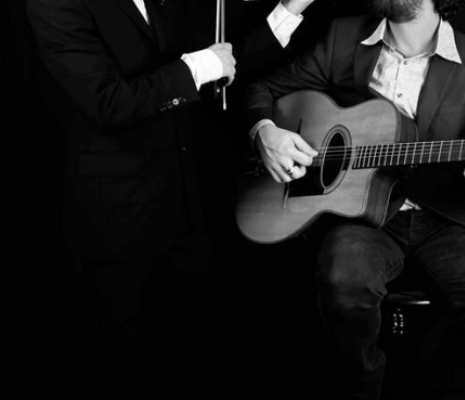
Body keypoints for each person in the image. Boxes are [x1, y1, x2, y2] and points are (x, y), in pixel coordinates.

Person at [25, 0, 315, 394]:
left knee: (184, 362)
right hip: (117, 224)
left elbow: (225, 63)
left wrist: (289, 10)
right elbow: (108, 102)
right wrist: (198, 66)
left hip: (188, 212)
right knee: (122, 369)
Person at [243, 0, 465, 399]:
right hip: (361, 215)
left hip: (440, 217)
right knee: (343, 282)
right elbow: (262, 88)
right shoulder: (344, 36)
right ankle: (363, 387)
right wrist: (264, 131)